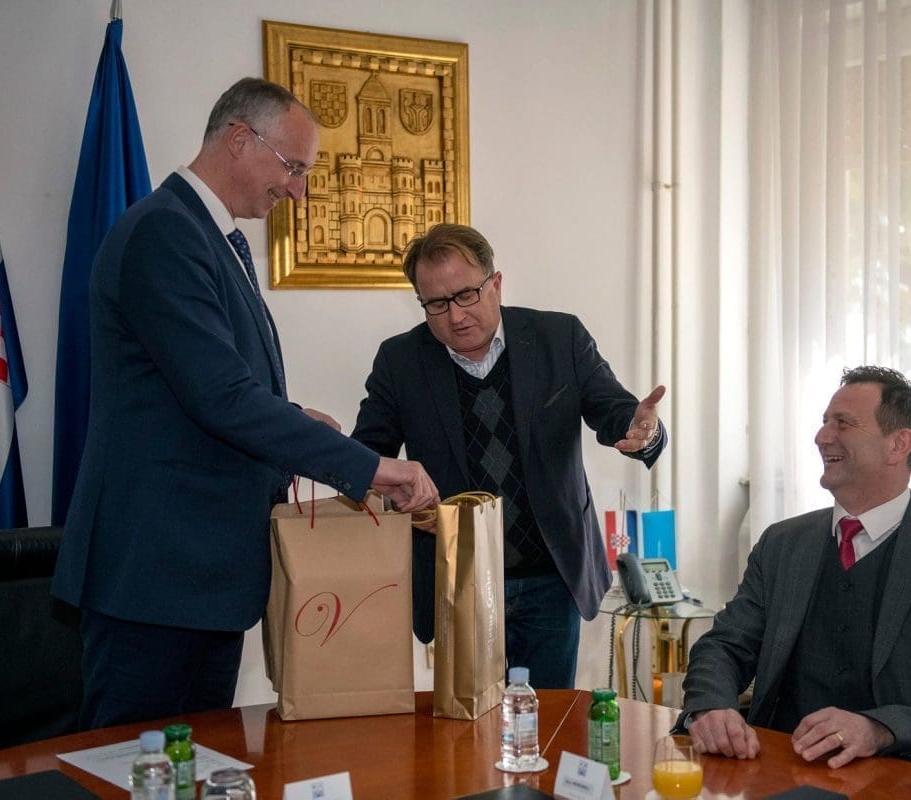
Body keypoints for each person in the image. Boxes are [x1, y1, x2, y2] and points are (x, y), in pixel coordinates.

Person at [51, 78, 439, 729]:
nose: (298, 191)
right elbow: (223, 398)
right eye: (294, 167)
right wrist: (369, 467)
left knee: (199, 764)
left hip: (202, 579)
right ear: (239, 139)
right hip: (156, 576)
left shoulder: (210, 237)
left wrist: (296, 417)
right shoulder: (166, 233)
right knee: (132, 769)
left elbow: (209, 388)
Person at [350, 223, 667, 689]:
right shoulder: (400, 361)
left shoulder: (559, 337)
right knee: (466, 724)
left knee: (549, 718)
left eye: (466, 295)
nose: (456, 315)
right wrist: (380, 481)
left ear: (496, 284)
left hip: (552, 578)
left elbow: (616, 411)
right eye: (437, 304)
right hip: (460, 582)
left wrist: (643, 430)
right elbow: (368, 456)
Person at [681, 366, 911, 779]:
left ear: (899, 445)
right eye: (824, 422)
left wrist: (878, 729)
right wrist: (711, 706)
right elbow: (725, 646)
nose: (822, 437)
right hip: (780, 770)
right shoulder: (782, 544)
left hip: (908, 779)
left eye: (843, 423)